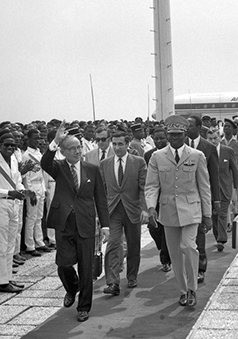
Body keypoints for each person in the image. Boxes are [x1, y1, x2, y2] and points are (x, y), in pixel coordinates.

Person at [41, 124, 110, 323]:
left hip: (86, 222)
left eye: (79, 147)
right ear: (63, 152)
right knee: (63, 263)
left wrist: (105, 225)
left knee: (86, 268)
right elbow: (45, 162)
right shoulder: (59, 167)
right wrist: (54, 141)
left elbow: (101, 199)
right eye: (72, 149)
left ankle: (84, 306)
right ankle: (72, 288)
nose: (77, 151)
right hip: (64, 222)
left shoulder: (92, 169)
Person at [145, 115, 212, 307]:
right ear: (167, 134)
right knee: (175, 254)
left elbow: (204, 187)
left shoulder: (197, 155)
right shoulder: (157, 157)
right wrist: (151, 207)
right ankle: (183, 291)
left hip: (192, 210)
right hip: (168, 212)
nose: (175, 138)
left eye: (179, 134)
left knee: (189, 247)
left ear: (185, 134)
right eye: (171, 134)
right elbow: (151, 186)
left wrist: (207, 215)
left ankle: (192, 288)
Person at [99, 131, 148, 296]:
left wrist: (145, 209)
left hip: (132, 209)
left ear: (128, 145)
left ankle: (132, 275)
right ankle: (112, 282)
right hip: (112, 210)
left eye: (120, 144)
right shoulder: (105, 164)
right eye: (114, 144)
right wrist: (100, 213)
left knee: (133, 245)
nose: (117, 147)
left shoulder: (139, 162)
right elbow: (102, 190)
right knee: (113, 243)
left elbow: (143, 187)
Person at [0, 133, 29, 293]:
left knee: (11, 243)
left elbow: (17, 181)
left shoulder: (15, 160)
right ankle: (2, 282)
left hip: (13, 204)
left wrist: (23, 190)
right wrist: (9, 192)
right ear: (0, 145)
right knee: (1, 245)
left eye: (12, 145)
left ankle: (8, 277)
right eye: (6, 145)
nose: (10, 148)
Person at [186, 115, 220, 284]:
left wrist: (216, 201)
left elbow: (214, 176)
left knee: (199, 235)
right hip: (183, 199)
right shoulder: (180, 145)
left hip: (201, 199)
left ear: (199, 128)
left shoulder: (208, 147)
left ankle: (200, 268)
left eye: (190, 126)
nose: (186, 129)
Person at [143, 128, 171, 272]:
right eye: (156, 138)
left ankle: (166, 259)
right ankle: (163, 248)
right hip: (154, 197)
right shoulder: (148, 155)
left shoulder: (171, 153)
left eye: (162, 138)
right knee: (153, 228)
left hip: (168, 196)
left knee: (166, 227)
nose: (159, 141)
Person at [207, 129, 238, 252]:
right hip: (209, 189)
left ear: (220, 138)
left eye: (215, 138)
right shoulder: (204, 151)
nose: (213, 141)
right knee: (214, 215)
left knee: (222, 213)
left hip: (224, 188)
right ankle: (217, 237)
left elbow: (235, 171)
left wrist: (237, 189)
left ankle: (221, 239)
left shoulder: (227, 151)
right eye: (210, 139)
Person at [22, 128, 51, 256]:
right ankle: (30, 245)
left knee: (39, 217)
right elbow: (26, 176)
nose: (38, 141)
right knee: (31, 217)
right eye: (35, 138)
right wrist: (30, 191)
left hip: (40, 184)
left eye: (39, 138)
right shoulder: (26, 155)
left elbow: (42, 173)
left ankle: (39, 241)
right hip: (32, 186)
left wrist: (44, 189)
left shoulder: (39, 153)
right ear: (28, 139)